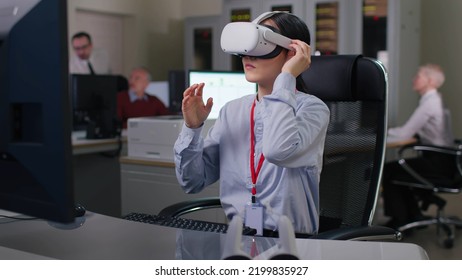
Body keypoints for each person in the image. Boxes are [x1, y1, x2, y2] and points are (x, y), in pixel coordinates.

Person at [173, 11, 330, 235]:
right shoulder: (232, 111)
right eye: (248, 47)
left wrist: (287, 76)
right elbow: (192, 182)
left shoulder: (312, 109)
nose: (249, 56)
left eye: (263, 46)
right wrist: (192, 129)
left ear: (292, 53)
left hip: (292, 244)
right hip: (238, 241)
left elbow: (278, 150)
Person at [382, 64, 454, 229]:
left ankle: (400, 219)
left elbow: (405, 134)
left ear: (429, 81)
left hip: (439, 162)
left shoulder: (430, 103)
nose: (414, 79)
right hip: (447, 160)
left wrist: (379, 134)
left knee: (390, 170)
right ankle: (413, 215)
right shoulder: (436, 100)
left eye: (418, 76)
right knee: (402, 170)